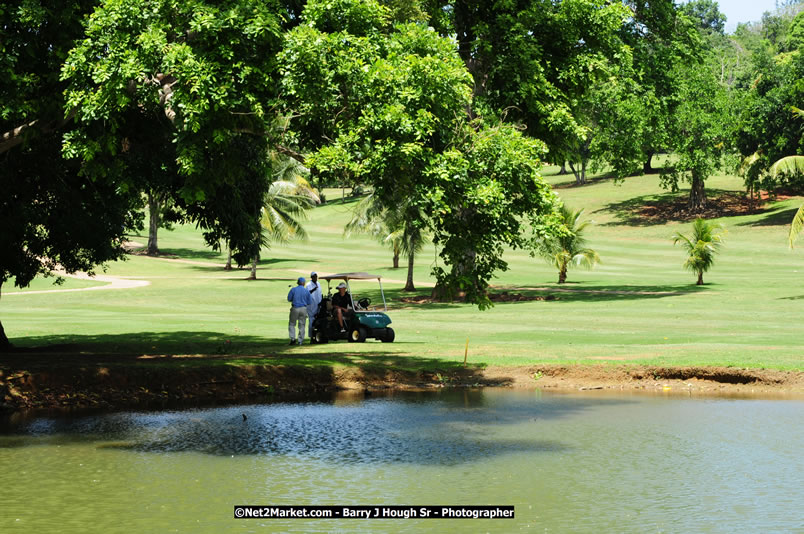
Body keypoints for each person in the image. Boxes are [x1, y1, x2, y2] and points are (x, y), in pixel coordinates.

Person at [287, 276, 312, 345]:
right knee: (302, 325)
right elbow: (309, 302)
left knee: (292, 324)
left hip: (295, 308)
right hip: (303, 308)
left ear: (298, 283)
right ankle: (300, 341)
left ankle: (292, 339)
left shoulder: (293, 289)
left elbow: (289, 299)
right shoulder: (306, 291)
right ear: (304, 283)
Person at [305, 272, 323, 338]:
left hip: (318, 304)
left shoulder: (318, 283)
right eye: (314, 277)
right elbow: (307, 293)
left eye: (316, 276)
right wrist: (314, 289)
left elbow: (320, 293)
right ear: (311, 277)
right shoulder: (308, 285)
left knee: (318, 319)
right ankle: (311, 336)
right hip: (311, 305)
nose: (315, 278)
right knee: (311, 320)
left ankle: (317, 334)